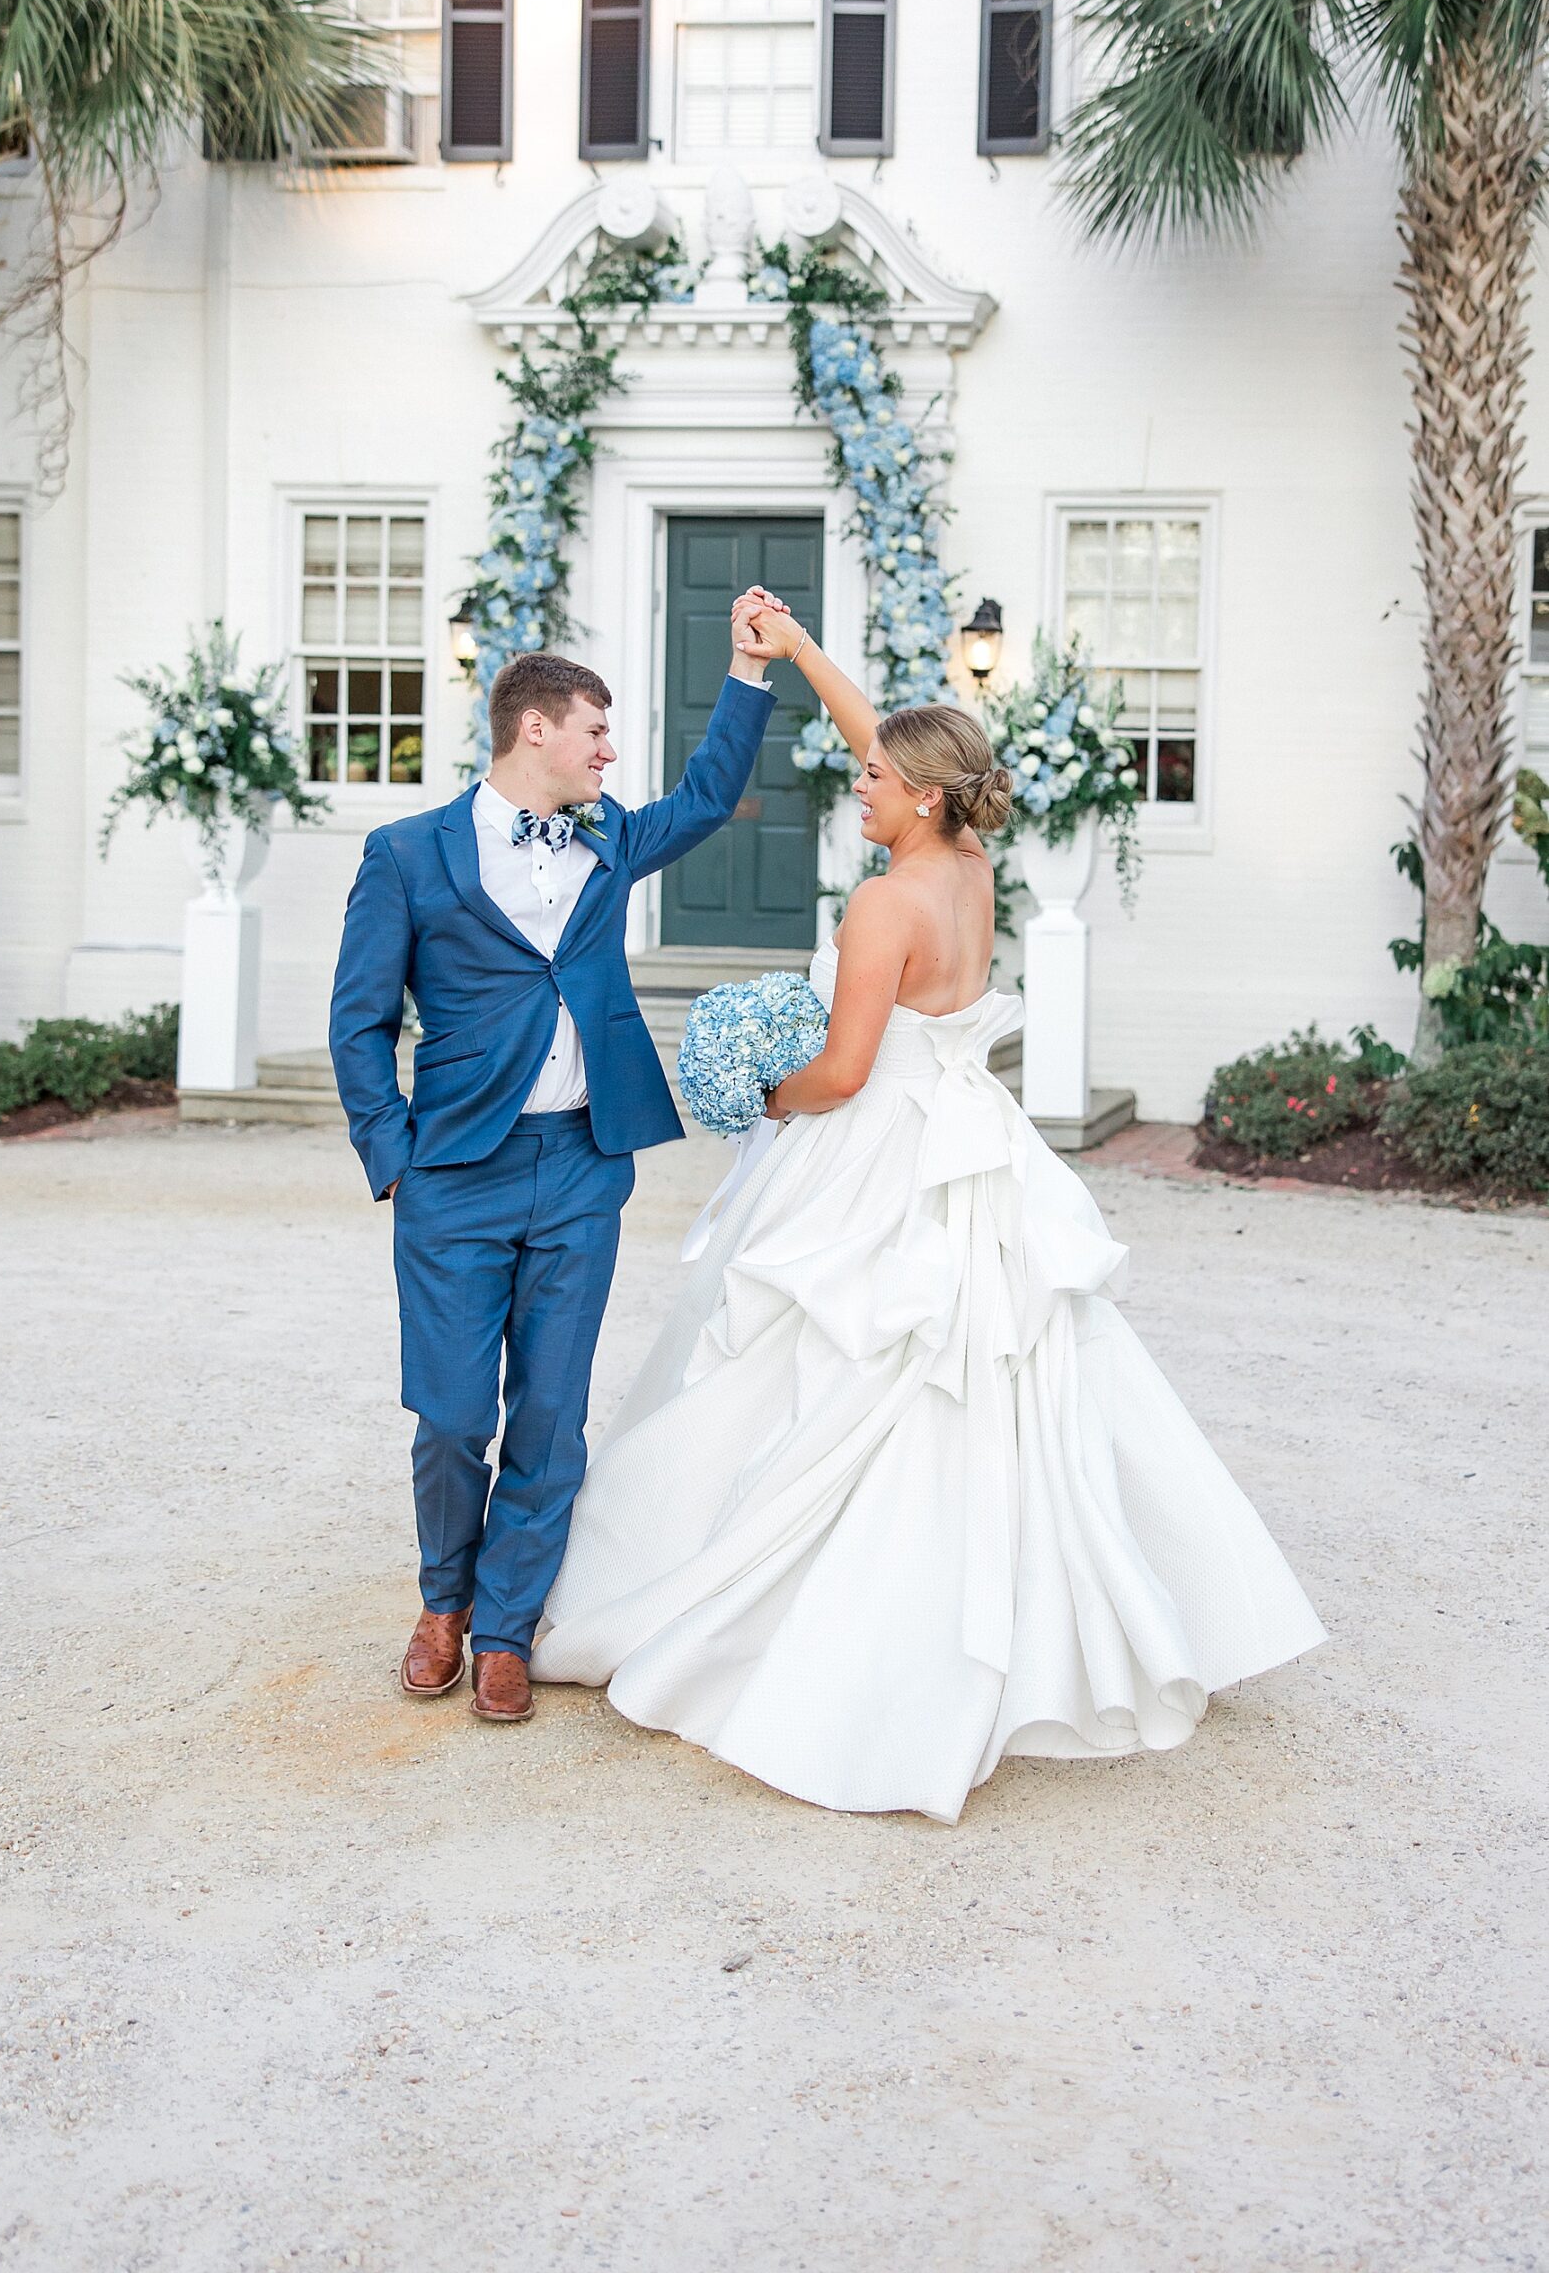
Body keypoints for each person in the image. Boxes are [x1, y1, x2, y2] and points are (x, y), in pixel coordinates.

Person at [533, 603, 1326, 1820]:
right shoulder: (967, 866)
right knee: (990, 1374)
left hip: (875, 1148)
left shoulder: (880, 907)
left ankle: (810, 1635)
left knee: (816, 1361)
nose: (856, 785)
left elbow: (845, 1073)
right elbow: (896, 740)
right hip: (969, 1142)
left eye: (872, 781)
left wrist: (761, 1096)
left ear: (921, 796)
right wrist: (798, 655)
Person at [328, 603, 776, 1724]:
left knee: (551, 1412)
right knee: (448, 1412)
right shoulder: (406, 855)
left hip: (582, 1163)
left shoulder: (610, 838)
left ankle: (505, 1629)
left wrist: (747, 671)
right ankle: (442, 1597)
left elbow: (709, 797)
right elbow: (358, 1020)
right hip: (456, 1171)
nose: (609, 753)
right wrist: (395, 1157)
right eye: (595, 733)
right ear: (535, 729)